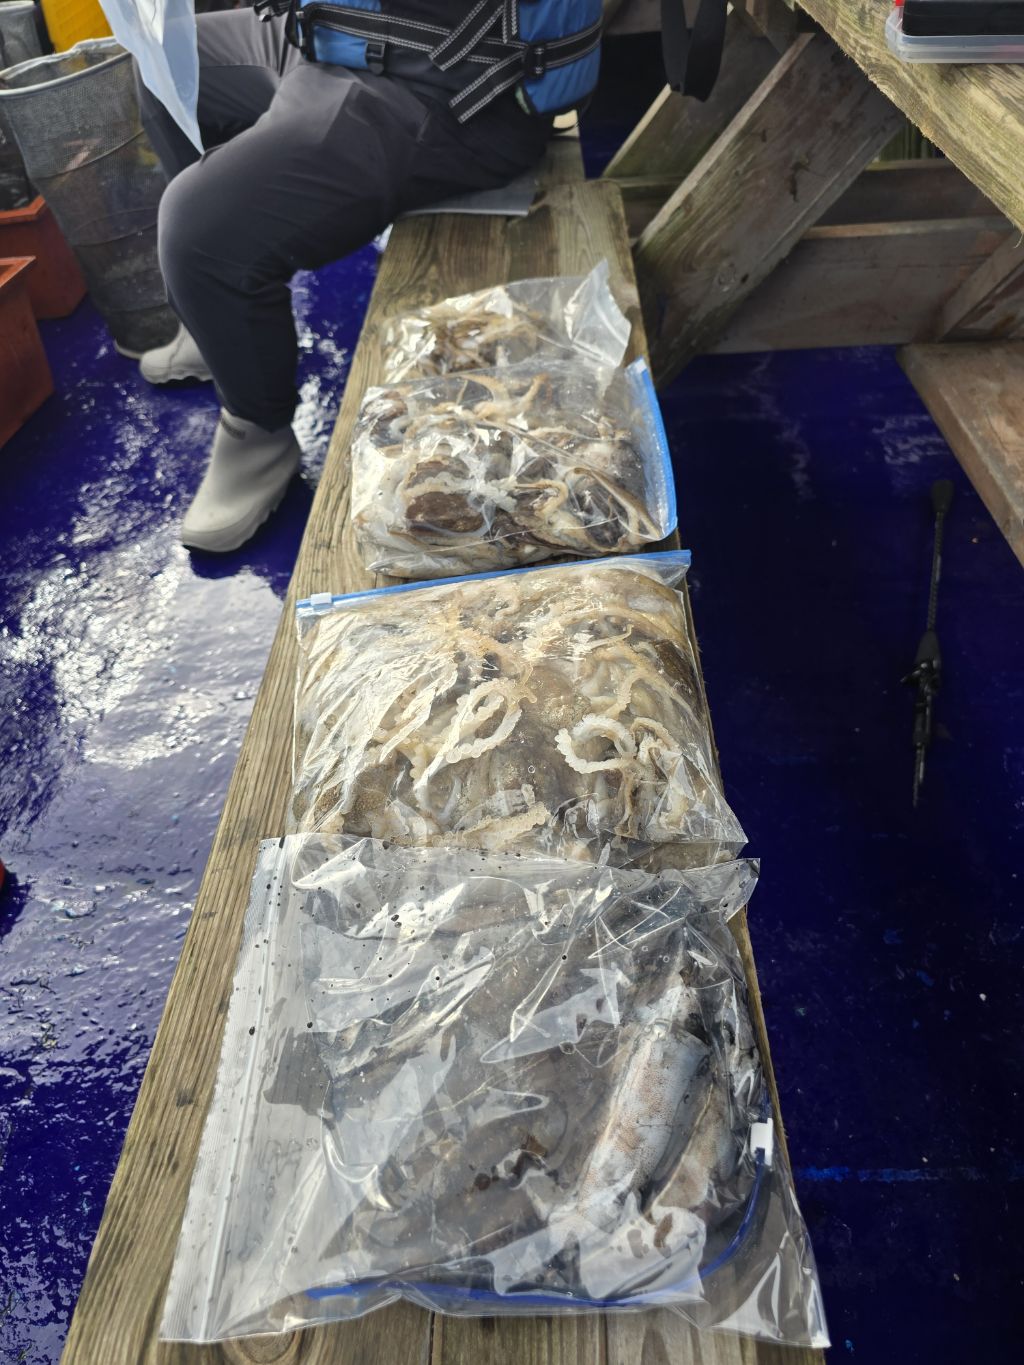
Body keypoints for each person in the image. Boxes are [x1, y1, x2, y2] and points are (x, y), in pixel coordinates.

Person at [136, 3, 601, 553]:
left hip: (445, 86)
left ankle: (257, 433)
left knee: (196, 227)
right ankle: (215, 324)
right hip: (330, 36)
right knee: (161, 59)